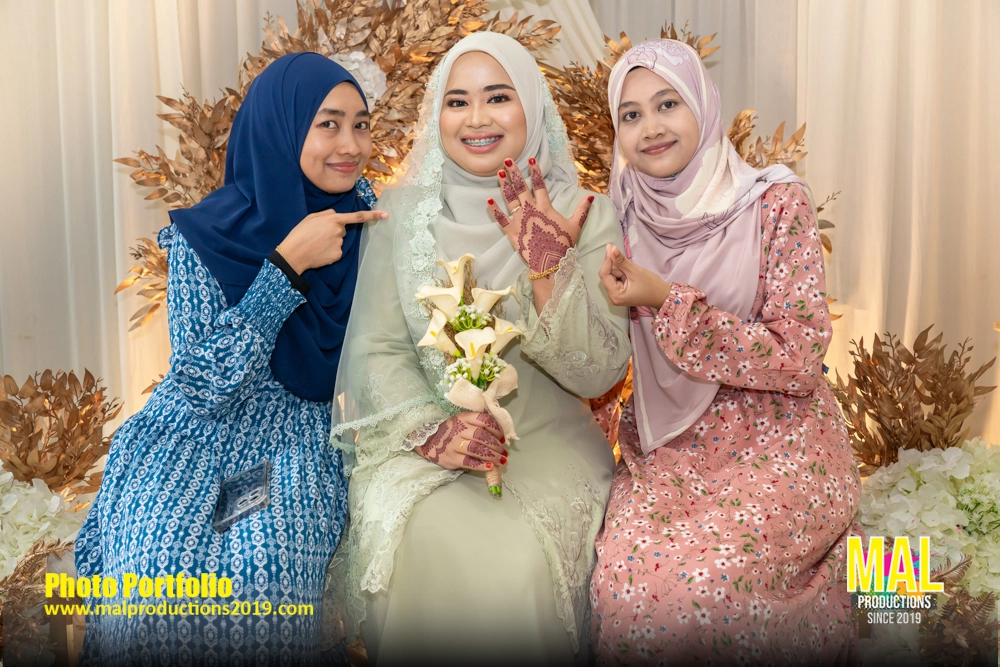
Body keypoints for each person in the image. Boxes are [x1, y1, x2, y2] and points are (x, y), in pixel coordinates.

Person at [326, 33, 630, 665]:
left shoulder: (585, 213)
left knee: (516, 564)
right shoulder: (400, 214)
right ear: (437, 115)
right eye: (457, 101)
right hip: (429, 445)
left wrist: (549, 267)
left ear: (533, 107)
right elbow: (378, 350)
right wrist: (432, 430)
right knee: (428, 535)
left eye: (498, 97)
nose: (477, 119)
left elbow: (599, 373)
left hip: (547, 447)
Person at [74, 52, 385, 665]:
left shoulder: (371, 224)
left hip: (292, 442)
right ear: (280, 128)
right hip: (188, 436)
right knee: (157, 561)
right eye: (327, 124)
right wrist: (285, 268)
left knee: (262, 572)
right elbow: (202, 384)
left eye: (361, 124)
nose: (350, 144)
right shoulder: (205, 235)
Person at [590, 39, 861, 665]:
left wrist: (667, 300)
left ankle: (865, 596)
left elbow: (800, 356)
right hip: (669, 450)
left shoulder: (775, 201)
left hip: (780, 440)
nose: (651, 127)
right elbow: (601, 346)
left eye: (668, 104)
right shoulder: (619, 213)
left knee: (710, 589)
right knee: (627, 586)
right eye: (630, 114)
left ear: (704, 105)